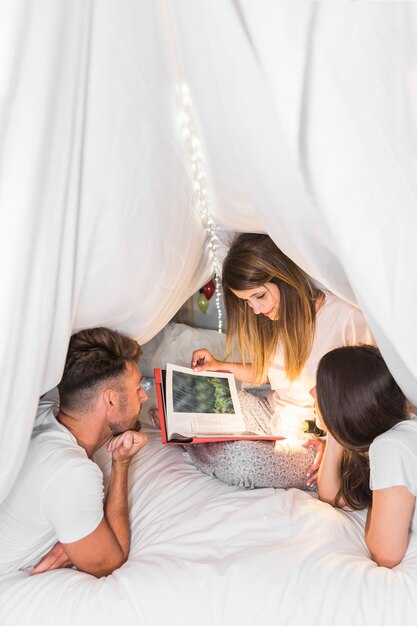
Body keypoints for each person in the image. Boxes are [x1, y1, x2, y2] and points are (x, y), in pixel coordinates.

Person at [188, 233, 373, 489]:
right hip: (273, 415)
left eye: (259, 296)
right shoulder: (277, 318)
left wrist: (334, 447)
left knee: (243, 461)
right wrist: (219, 365)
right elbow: (272, 374)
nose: (256, 309)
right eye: (247, 302)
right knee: (201, 398)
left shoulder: (346, 317)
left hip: (312, 439)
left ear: (283, 276)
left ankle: (192, 445)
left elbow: (371, 394)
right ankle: (188, 435)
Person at [0, 327, 148, 578]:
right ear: (110, 401)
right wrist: (121, 463)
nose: (144, 396)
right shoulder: (72, 473)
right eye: (137, 389)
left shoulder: (43, 411)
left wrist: (72, 544)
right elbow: (111, 560)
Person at [313, 345, 416, 568]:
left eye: (321, 394)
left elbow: (385, 553)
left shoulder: (391, 446)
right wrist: (334, 432)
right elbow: (331, 496)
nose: (313, 395)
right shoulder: (396, 430)